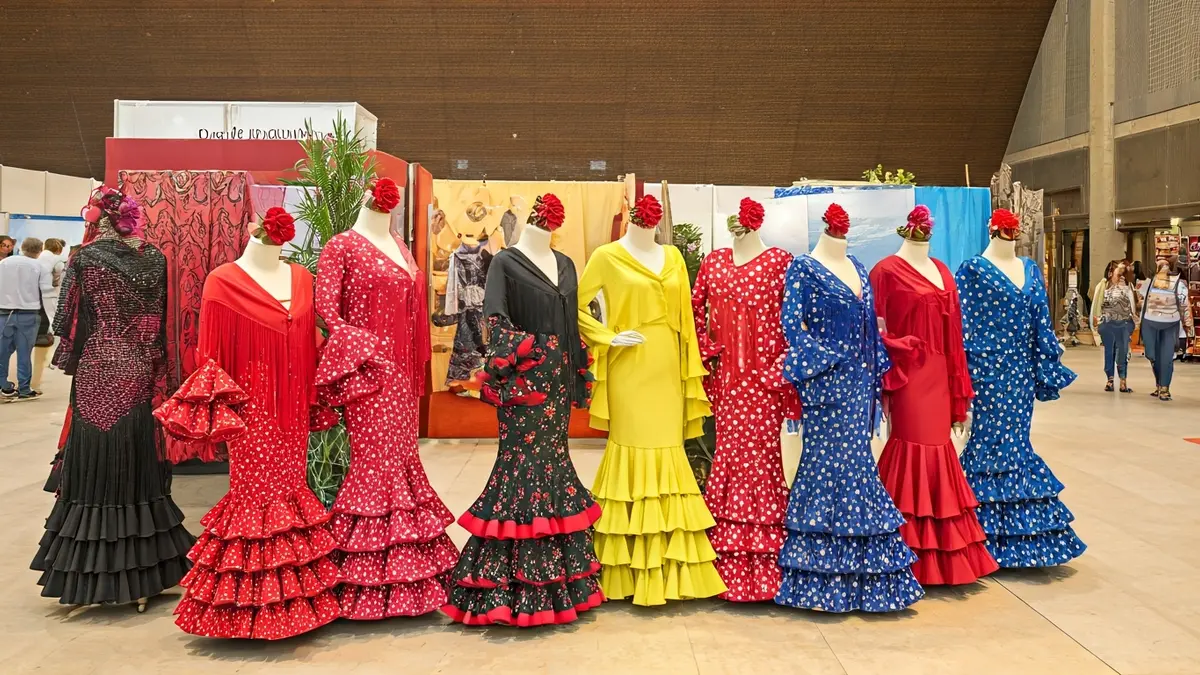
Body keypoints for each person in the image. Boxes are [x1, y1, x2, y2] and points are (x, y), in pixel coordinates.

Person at [0, 237, 53, 400]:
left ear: (22, 247)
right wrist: (52, 320)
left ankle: (4, 386)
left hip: (3, 313)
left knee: (2, 351)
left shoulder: (4, 263)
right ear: (39, 251)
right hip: (28, 315)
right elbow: (47, 293)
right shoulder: (41, 267)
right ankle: (24, 389)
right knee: (24, 353)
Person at [1141, 256, 1193, 401]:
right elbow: (1142, 302)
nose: (1161, 265)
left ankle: (1164, 388)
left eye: (1164, 263)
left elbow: (1184, 306)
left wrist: (1188, 326)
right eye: (1159, 263)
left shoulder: (1179, 284)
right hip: (1150, 323)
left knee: (1166, 356)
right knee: (1152, 355)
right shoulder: (1150, 282)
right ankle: (1159, 382)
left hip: (1170, 323)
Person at [1091, 260, 1138, 392]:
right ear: (1111, 273)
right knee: (1109, 352)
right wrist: (1095, 322)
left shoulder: (1128, 287)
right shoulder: (1103, 286)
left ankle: (1123, 380)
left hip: (1124, 323)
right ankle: (1110, 379)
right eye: (1119, 273)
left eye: (1124, 273)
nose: (1122, 276)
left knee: (1122, 352)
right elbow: (1096, 304)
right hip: (1107, 324)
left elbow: (1133, 307)